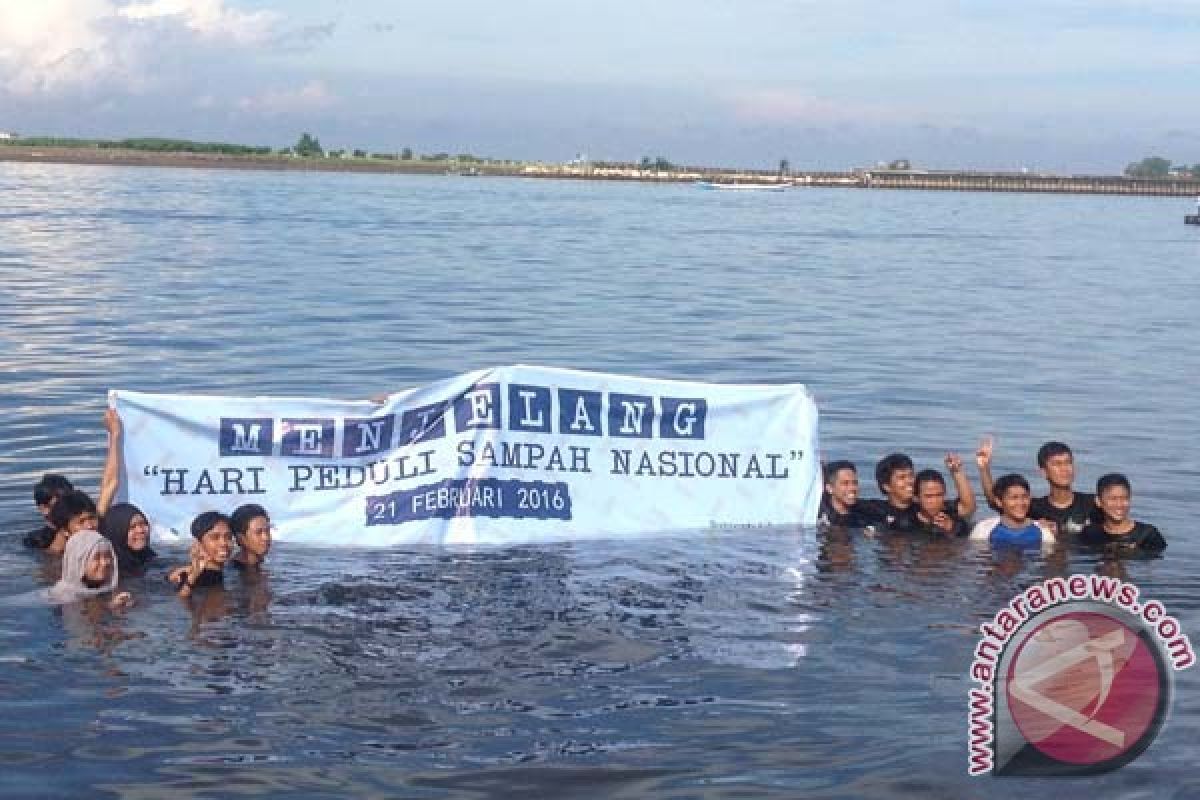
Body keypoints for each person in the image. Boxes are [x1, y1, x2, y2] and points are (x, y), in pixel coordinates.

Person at [977, 437, 1095, 538]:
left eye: (1068, 462)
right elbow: (995, 502)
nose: (1064, 469)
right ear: (1043, 472)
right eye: (1057, 464)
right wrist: (984, 468)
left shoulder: (1092, 503)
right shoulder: (1033, 508)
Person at [46, 529, 133, 609]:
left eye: (107, 556)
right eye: (96, 557)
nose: (104, 563)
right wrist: (109, 607)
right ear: (78, 562)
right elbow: (78, 623)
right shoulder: (62, 596)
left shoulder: (109, 587)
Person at [1081, 474, 1166, 553]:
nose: (1119, 505)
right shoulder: (1090, 533)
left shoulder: (1147, 534)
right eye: (1113, 499)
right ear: (1098, 501)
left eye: (1124, 498)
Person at [970, 474, 1055, 548]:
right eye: (1013, 498)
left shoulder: (1043, 531)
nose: (1020, 503)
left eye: (1025, 497)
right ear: (999, 502)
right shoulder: (984, 529)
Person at [168, 512, 233, 598]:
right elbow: (180, 600)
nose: (223, 543)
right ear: (199, 544)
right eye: (214, 537)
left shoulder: (218, 572)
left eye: (228, 537)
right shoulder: (197, 576)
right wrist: (193, 577)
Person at [913, 458, 975, 537]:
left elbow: (969, 507)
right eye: (928, 496)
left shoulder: (949, 512)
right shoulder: (908, 519)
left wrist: (957, 472)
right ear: (916, 497)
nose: (935, 501)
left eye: (939, 495)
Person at [857, 453, 918, 531]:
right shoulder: (873, 509)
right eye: (902, 477)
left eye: (911, 475)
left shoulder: (923, 510)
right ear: (887, 486)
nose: (909, 481)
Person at [99, 502, 157, 578]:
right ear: (118, 532)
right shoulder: (109, 569)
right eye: (132, 527)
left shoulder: (147, 555)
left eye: (143, 524)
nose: (140, 530)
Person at [23, 474, 74, 549]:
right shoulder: (34, 540)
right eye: (59, 506)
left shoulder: (84, 528)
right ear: (43, 509)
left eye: (69, 503)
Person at [45, 490, 100, 556]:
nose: (90, 526)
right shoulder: (54, 560)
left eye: (92, 518)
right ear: (64, 530)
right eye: (81, 522)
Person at [817, 461, 864, 527]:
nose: (852, 488)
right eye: (845, 483)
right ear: (829, 488)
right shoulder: (819, 517)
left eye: (855, 483)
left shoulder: (865, 511)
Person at [230, 504, 272, 571]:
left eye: (267, 530)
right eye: (258, 532)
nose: (266, 538)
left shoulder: (262, 563)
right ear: (241, 538)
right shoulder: (232, 571)